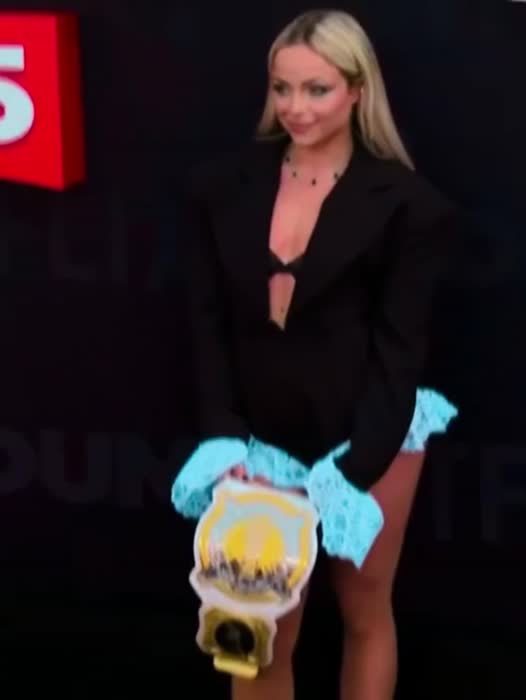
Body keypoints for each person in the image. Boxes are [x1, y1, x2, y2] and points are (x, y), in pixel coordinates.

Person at [172, 9, 459, 700]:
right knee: (253, 632)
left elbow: (399, 357)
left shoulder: (409, 206)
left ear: (357, 90)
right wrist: (224, 439)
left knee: (365, 612)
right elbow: (207, 327)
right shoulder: (219, 188)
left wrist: (349, 472)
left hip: (369, 434)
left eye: (317, 89)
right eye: (282, 88)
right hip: (259, 444)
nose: (295, 107)